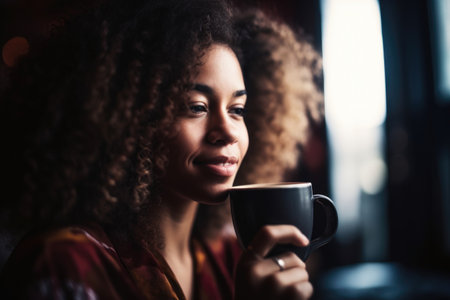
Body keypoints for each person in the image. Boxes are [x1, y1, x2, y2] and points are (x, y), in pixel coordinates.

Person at [0, 1, 317, 299]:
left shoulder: (234, 255)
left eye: (237, 109)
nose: (228, 132)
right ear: (131, 116)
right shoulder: (63, 263)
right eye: (196, 107)